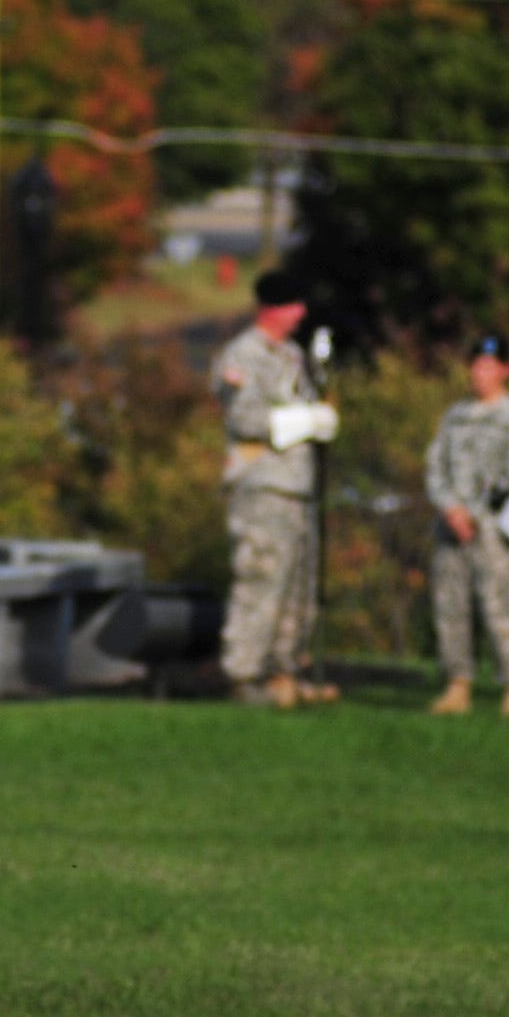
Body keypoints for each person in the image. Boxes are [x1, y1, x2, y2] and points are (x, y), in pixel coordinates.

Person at [212, 272, 336, 708]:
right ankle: (245, 676)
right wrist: (302, 421)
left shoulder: (292, 355)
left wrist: (319, 415)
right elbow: (242, 418)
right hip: (262, 484)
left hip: (297, 485)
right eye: (293, 305)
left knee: (297, 586)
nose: (300, 313)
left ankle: (284, 673)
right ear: (272, 308)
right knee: (261, 581)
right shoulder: (244, 354)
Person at [423, 336, 509, 716]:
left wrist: (475, 513)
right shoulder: (455, 416)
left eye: (488, 365)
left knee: (500, 609)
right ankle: (457, 684)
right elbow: (435, 466)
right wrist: (450, 507)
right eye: (475, 365)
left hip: (493, 528)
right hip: (450, 527)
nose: (479, 373)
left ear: (505, 370)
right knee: (451, 609)